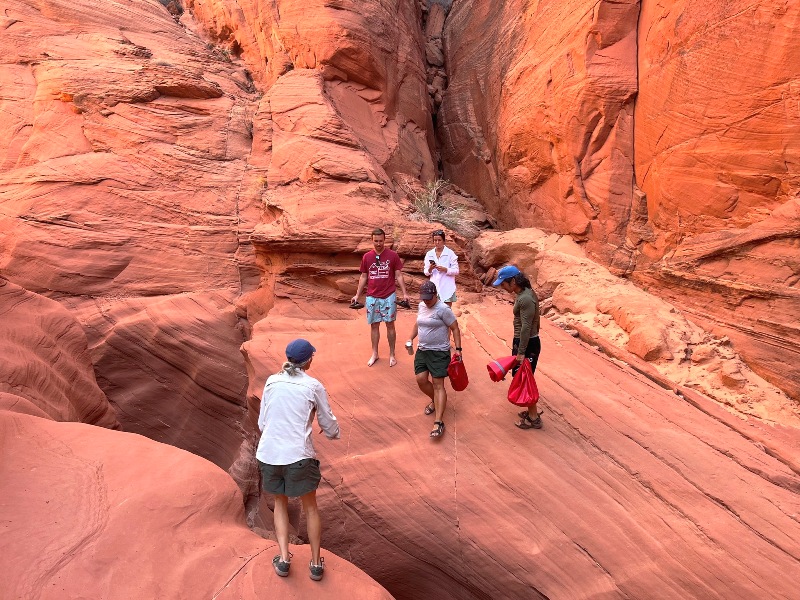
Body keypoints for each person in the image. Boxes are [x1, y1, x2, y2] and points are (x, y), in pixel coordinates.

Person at [256, 339, 340, 581]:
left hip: (270, 453)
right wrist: (332, 432)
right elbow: (328, 422)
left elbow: (263, 422)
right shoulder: (313, 386)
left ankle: (283, 560)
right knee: (310, 507)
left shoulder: (272, 381)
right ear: (308, 361)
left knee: (280, 503)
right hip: (298, 456)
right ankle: (315, 564)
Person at [406, 280, 462, 439]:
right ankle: (435, 400)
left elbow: (455, 328)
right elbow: (418, 323)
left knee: (438, 385)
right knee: (421, 379)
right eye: (423, 298)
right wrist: (410, 338)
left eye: (428, 298)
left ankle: (438, 422)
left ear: (435, 295)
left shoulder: (443, 309)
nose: (426, 301)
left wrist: (458, 350)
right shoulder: (422, 306)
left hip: (439, 352)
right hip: (422, 350)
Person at [492, 265, 542, 429]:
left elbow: (527, 326)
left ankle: (533, 417)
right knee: (524, 376)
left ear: (513, 281)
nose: (503, 287)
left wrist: (521, 352)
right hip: (525, 341)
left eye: (504, 284)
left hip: (527, 343)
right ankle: (531, 411)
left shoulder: (525, 298)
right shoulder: (524, 293)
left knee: (525, 378)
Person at [351, 228, 410, 367]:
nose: (378, 244)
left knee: (390, 324)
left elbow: (399, 275)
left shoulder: (392, 255)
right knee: (374, 325)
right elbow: (364, 276)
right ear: (372, 240)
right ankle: (375, 353)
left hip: (389, 295)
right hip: (372, 296)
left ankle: (391, 354)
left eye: (381, 241)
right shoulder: (367, 257)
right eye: (376, 241)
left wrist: (405, 293)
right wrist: (357, 295)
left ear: (385, 240)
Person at [423, 229, 459, 306]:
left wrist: (445, 269)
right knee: (434, 312)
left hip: (447, 287)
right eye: (435, 240)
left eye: (439, 240)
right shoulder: (429, 254)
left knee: (446, 312)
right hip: (433, 287)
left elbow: (456, 271)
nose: (437, 242)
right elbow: (426, 272)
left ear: (443, 241)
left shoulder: (450, 253)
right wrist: (430, 269)